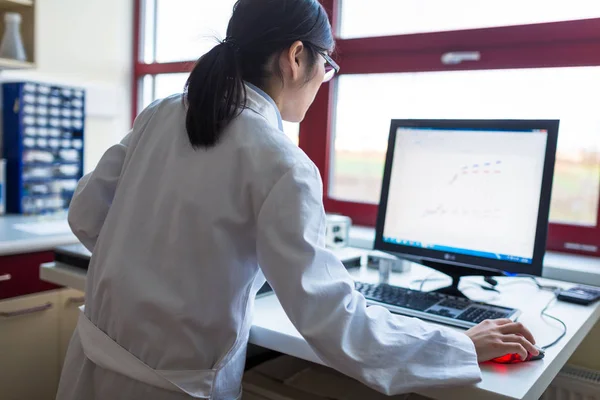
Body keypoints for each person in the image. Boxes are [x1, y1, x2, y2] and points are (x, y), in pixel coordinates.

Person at [56, 0, 539, 399]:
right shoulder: (280, 161)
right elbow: (333, 321)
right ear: (295, 57)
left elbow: (86, 214)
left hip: (90, 368)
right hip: (172, 388)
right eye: (326, 65)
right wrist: (458, 346)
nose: (322, 78)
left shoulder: (160, 113)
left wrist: (152, 274)